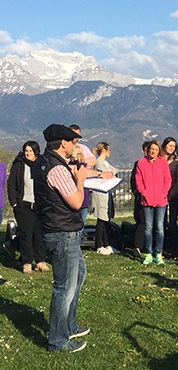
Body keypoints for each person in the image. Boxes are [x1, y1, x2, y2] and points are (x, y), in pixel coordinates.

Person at [33, 124, 90, 352]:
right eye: (72, 141)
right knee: (64, 286)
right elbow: (76, 202)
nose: (75, 145)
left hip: (60, 230)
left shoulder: (44, 162)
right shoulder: (56, 169)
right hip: (62, 233)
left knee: (78, 276)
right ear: (63, 143)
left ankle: (69, 324)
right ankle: (57, 340)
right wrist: (81, 180)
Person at [7, 141, 49, 274]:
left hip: (39, 205)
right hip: (23, 204)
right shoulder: (19, 165)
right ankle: (26, 262)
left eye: (30, 151)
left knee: (38, 234)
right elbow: (11, 184)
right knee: (26, 234)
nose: (28, 153)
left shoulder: (42, 164)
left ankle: (40, 261)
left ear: (36, 151)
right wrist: (14, 202)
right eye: (26, 151)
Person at [135, 140, 172, 265]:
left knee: (159, 228)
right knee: (148, 228)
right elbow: (138, 180)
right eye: (152, 149)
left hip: (161, 200)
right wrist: (143, 192)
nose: (154, 151)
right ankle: (148, 253)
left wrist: (164, 192)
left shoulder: (163, 163)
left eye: (156, 149)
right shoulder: (141, 163)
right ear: (148, 149)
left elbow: (168, 179)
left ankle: (158, 253)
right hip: (146, 200)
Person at [91, 142, 118, 255]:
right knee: (101, 221)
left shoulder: (104, 162)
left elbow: (113, 171)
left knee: (106, 221)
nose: (110, 152)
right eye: (108, 150)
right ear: (104, 150)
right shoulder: (98, 163)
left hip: (106, 193)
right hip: (100, 194)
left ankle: (107, 244)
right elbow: (105, 174)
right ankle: (99, 245)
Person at [162, 137, 178, 259]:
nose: (171, 148)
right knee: (162, 223)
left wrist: (170, 195)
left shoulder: (177, 162)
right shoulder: (159, 160)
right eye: (170, 146)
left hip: (174, 196)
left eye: (173, 147)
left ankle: (175, 249)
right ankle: (161, 247)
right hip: (161, 195)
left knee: (173, 222)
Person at [131, 141, 151, 257]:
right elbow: (134, 181)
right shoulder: (138, 163)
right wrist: (138, 194)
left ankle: (147, 245)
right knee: (142, 221)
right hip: (141, 197)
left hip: (153, 197)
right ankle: (137, 246)